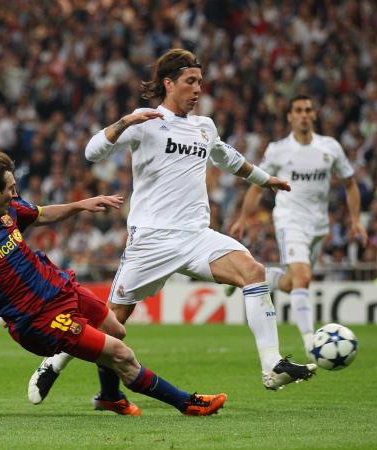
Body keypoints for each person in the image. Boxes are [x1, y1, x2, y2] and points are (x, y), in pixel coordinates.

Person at [28, 49, 316, 412]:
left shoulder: (204, 126)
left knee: (253, 272)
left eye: (200, 82)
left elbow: (229, 158)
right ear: (168, 83)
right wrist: (124, 122)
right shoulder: (145, 122)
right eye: (189, 82)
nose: (197, 89)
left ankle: (272, 365)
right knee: (111, 322)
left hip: (196, 236)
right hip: (151, 240)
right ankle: (55, 360)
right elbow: (91, 152)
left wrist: (266, 179)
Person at [0, 150, 227, 417]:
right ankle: (186, 403)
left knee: (117, 330)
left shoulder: (8, 208)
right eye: (11, 188)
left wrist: (81, 205)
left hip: (59, 287)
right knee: (122, 356)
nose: (16, 193)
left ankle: (109, 397)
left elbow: (41, 214)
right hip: (38, 319)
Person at [229, 95, 368, 356]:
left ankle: (256, 276)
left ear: (314, 115)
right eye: (298, 111)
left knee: (295, 283)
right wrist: (244, 218)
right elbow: (259, 185)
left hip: (319, 224)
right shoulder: (278, 149)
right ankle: (311, 342)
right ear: (290, 116)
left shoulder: (330, 147)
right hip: (289, 219)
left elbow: (350, 184)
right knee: (303, 278)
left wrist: (356, 220)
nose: (304, 114)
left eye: (308, 110)